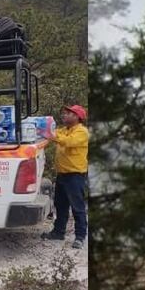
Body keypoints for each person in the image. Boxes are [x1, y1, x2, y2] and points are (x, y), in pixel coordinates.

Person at [42, 104, 89, 249]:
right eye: (65, 113)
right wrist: (46, 131)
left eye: (68, 113)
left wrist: (52, 135)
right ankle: (58, 232)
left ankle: (80, 237)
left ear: (77, 117)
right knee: (60, 205)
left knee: (77, 207)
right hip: (62, 174)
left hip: (75, 176)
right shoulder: (64, 130)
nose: (64, 115)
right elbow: (55, 134)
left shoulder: (82, 132)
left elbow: (69, 142)